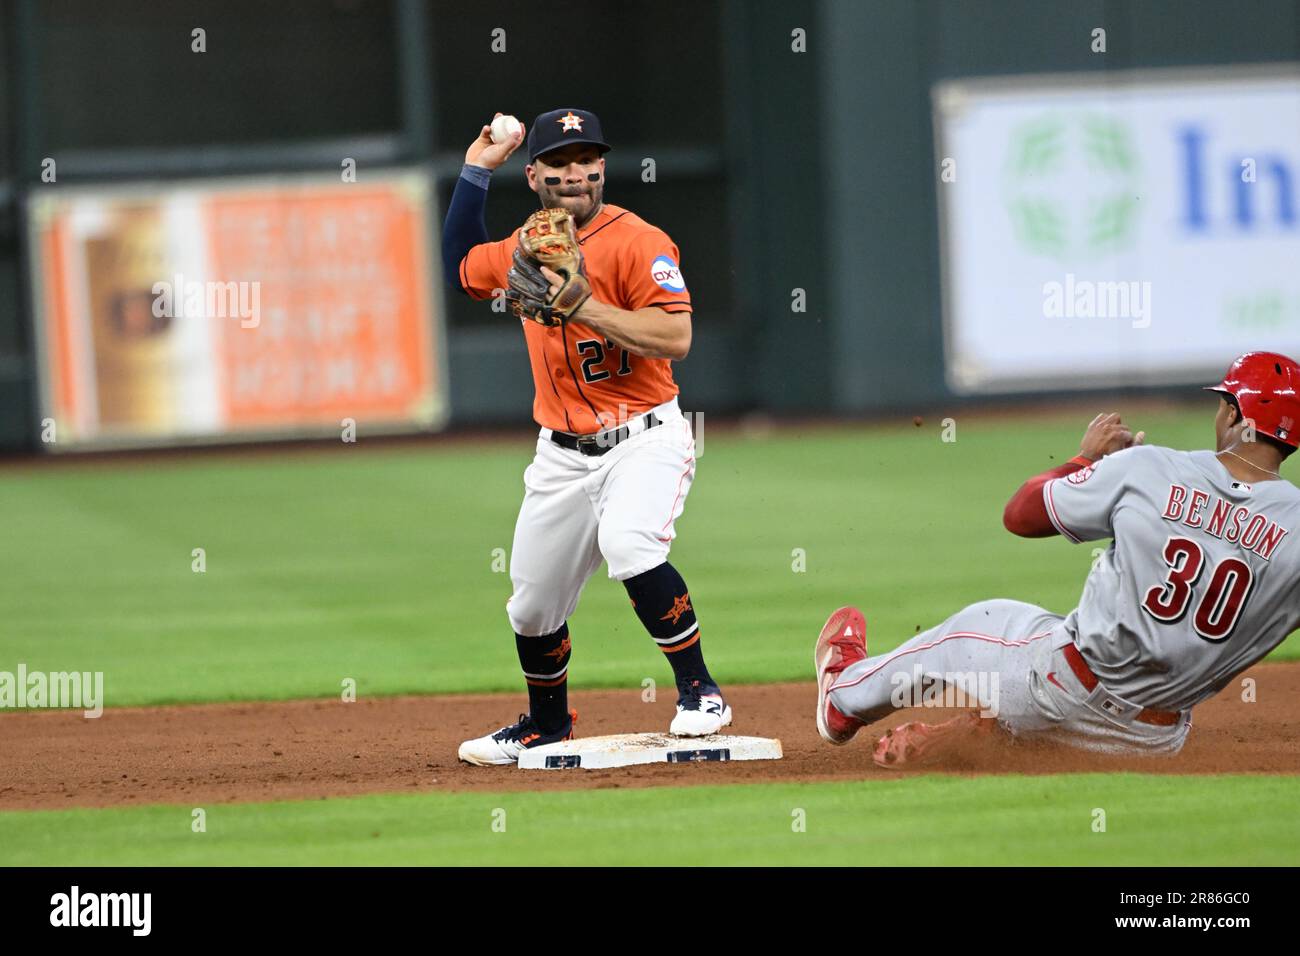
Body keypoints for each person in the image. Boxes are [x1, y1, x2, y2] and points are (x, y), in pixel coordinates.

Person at [814, 351, 1300, 766]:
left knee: (979, 622)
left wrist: (1089, 461)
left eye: (1223, 404)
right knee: (1043, 651)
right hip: (1151, 742)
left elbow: (1021, 514)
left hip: (1058, 689)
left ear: (1238, 417)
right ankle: (979, 740)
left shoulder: (1153, 466)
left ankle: (843, 700)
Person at [442, 108, 730, 766]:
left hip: (644, 437)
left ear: (602, 168)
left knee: (629, 543)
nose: (577, 172)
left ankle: (700, 691)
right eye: (561, 162)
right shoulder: (526, 245)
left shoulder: (639, 241)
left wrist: (584, 305)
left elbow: (676, 338)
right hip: (560, 454)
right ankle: (547, 725)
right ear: (535, 172)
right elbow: (461, 264)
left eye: (587, 159)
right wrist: (477, 168)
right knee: (532, 605)